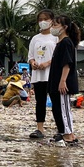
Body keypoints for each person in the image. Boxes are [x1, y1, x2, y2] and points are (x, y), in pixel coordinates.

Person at [48, 15, 81, 144]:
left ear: (64, 27)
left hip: (63, 82)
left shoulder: (66, 42)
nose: (53, 27)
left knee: (64, 107)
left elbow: (67, 64)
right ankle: (63, 132)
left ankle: (69, 134)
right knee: (57, 107)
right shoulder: (59, 43)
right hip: (55, 81)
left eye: (56, 25)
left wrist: (63, 81)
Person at [28, 9, 58, 139]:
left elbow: (58, 55)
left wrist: (47, 63)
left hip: (51, 74)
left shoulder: (55, 37)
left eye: (45, 19)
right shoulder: (35, 38)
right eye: (40, 19)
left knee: (56, 102)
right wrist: (33, 62)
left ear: (52, 20)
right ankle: (40, 128)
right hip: (37, 75)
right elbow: (30, 55)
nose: (43, 22)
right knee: (40, 102)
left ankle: (60, 128)